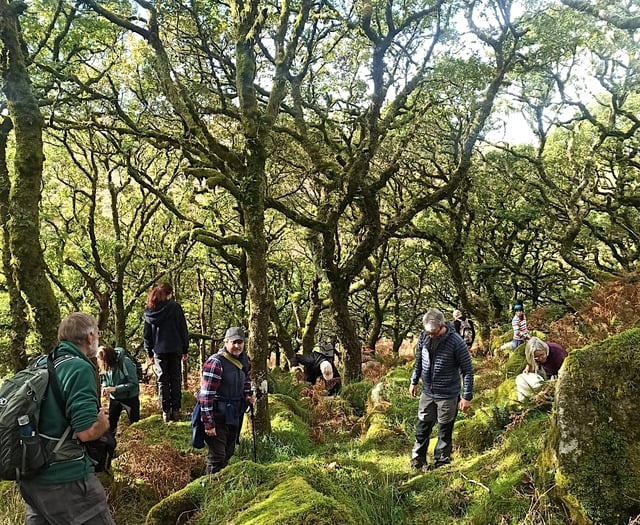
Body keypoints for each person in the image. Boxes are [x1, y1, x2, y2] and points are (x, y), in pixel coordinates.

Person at [19, 313, 115, 525]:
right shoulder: (79, 368)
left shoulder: (40, 363)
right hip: (67, 479)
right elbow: (86, 431)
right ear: (90, 337)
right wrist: (103, 423)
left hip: (32, 477)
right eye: (97, 333)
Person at [409, 308, 474, 471]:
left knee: (444, 429)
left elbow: (467, 370)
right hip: (427, 392)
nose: (431, 335)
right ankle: (418, 459)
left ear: (442, 326)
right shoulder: (424, 337)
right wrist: (413, 381)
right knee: (422, 426)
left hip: (447, 394)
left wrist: (467, 396)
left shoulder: (456, 342)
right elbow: (418, 360)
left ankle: (441, 461)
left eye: (434, 332)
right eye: (428, 332)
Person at [198, 327, 255, 474]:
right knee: (217, 456)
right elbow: (206, 396)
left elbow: (246, 380)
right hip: (218, 415)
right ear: (226, 342)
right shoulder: (216, 363)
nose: (237, 346)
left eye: (240, 342)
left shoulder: (244, 360)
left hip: (235, 414)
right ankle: (208, 487)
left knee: (229, 452)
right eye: (234, 342)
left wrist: (248, 394)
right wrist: (208, 423)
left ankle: (219, 486)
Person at [143, 283, 189, 422]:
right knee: (175, 379)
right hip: (175, 348)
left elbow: (147, 334)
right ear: (168, 294)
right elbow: (183, 329)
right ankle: (176, 410)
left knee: (162, 381)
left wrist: (149, 351)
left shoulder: (149, 311)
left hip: (159, 350)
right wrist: (185, 349)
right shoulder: (175, 307)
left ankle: (165, 412)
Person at [97, 345, 141, 435]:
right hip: (115, 398)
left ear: (108, 358)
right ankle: (110, 445)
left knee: (135, 424)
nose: (101, 363)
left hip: (130, 398)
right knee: (111, 425)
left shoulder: (125, 362)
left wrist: (115, 389)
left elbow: (133, 383)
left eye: (102, 360)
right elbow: (105, 378)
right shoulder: (106, 365)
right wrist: (105, 388)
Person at [515, 337, 568, 401]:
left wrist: (545, 392)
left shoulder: (558, 354)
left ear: (545, 350)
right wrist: (529, 366)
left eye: (541, 355)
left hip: (559, 373)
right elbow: (530, 360)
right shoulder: (534, 355)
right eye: (536, 357)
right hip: (546, 368)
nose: (540, 358)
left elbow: (562, 376)